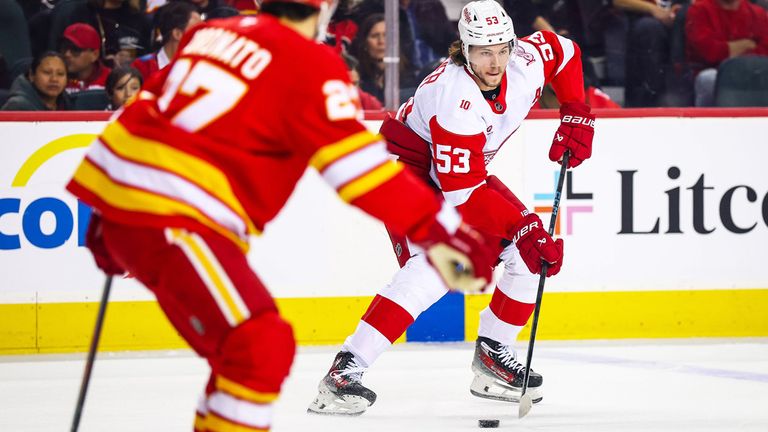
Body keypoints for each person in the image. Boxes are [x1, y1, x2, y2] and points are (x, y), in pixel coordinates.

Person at [65, 1, 495, 430]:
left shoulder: (209, 34)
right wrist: (443, 232)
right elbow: (360, 172)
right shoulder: (308, 61)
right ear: (324, 8)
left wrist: (110, 213)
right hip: (175, 212)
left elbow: (146, 109)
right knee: (258, 347)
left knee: (244, 352)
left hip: (124, 199)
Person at [308, 0, 595, 416]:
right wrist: (522, 225)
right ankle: (343, 373)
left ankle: (494, 355)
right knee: (435, 269)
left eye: (501, 48)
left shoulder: (523, 61)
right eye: (483, 52)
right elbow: (464, 197)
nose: (495, 62)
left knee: (531, 255)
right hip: (411, 177)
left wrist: (576, 112)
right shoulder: (453, 99)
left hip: (462, 175)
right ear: (464, 49)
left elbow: (564, 51)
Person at [685, 0, 768, 106]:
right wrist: (746, 45)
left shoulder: (757, 13)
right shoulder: (700, 9)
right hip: (715, 72)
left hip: (751, 73)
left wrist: (728, 48)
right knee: (708, 78)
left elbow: (764, 51)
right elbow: (709, 52)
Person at [132, 1, 202, 80]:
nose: (203, 35)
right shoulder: (142, 66)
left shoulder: (203, 68)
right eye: (197, 30)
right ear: (177, 34)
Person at [2, 51, 71, 111]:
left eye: (60, 74)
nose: (54, 79)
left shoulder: (69, 104)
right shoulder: (17, 106)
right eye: (47, 72)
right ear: (32, 75)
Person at [59, 23, 112, 93]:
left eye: (75, 50)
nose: (67, 54)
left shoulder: (112, 80)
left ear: (95, 55)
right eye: (64, 48)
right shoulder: (56, 79)